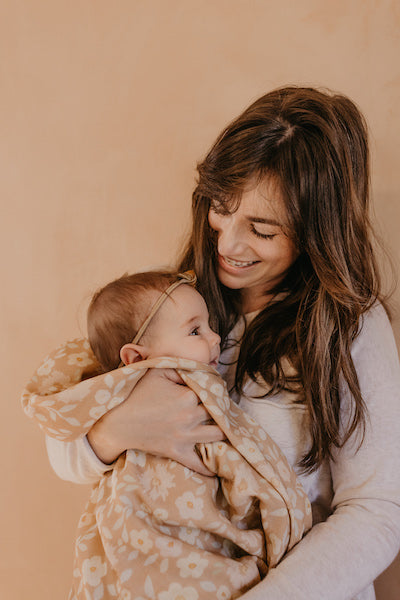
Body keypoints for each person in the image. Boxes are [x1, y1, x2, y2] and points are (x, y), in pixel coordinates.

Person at [32, 86, 400, 600]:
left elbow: (376, 512)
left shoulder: (348, 328)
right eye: (221, 209)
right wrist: (117, 431)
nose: (227, 243)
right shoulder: (172, 303)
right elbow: (64, 444)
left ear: (315, 230)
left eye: (262, 230)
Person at [23, 269, 311, 599]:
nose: (215, 338)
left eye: (209, 326)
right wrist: (281, 513)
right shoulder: (177, 373)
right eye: (195, 331)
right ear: (135, 357)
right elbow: (244, 453)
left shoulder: (170, 328)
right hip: (134, 525)